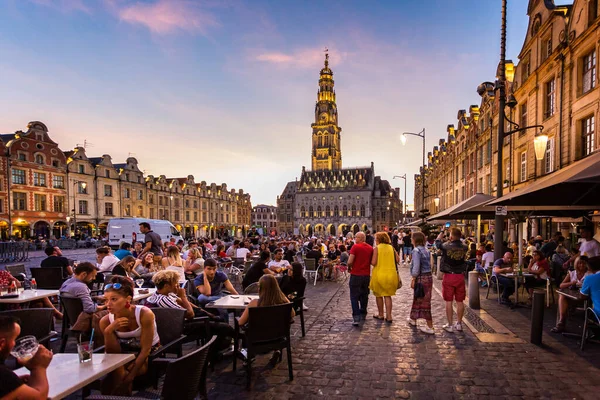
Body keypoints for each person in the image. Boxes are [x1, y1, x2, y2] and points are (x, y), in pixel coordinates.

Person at [99, 276, 160, 395]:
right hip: (123, 354)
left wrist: (130, 377)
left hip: (150, 353)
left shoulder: (144, 314)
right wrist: (108, 332)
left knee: (118, 373)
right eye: (105, 300)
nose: (108, 304)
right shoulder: (106, 321)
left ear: (128, 299)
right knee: (118, 370)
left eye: (114, 299)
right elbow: (113, 353)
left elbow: (146, 349)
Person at [147, 270, 234, 351]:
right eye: (175, 283)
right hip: (179, 328)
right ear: (166, 286)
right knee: (224, 327)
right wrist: (183, 297)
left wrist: (204, 312)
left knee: (218, 317)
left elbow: (183, 303)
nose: (178, 285)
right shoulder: (163, 300)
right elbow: (190, 314)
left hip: (180, 322)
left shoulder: (164, 294)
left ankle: (217, 348)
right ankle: (213, 355)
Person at [238, 275, 295, 365]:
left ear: (260, 288)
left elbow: (240, 322)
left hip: (257, 340)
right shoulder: (284, 301)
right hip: (278, 338)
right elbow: (292, 314)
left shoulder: (254, 303)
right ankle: (277, 350)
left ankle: (248, 355)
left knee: (244, 330)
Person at [0, 315, 53, 400]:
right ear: (2, 344)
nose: (15, 344)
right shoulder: (3, 375)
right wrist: (39, 367)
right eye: (14, 339)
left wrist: (15, 384)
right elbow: (40, 397)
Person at [438, 228, 467, 333]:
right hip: (460, 276)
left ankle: (450, 324)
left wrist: (442, 232)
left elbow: (437, 242)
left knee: (448, 301)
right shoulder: (465, 246)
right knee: (460, 301)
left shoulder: (446, 246)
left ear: (451, 236)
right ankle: (459, 323)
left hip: (449, 275)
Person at [552, 256, 590, 333]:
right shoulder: (572, 273)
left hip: (585, 298)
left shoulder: (589, 274)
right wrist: (571, 283)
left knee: (562, 298)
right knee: (562, 296)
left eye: (584, 263)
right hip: (573, 296)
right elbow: (561, 285)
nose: (582, 265)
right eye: (580, 263)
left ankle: (561, 322)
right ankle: (561, 321)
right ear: (576, 264)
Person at [407, 232, 434, 334]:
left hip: (421, 278)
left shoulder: (416, 251)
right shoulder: (426, 250)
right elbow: (431, 264)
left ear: (415, 240)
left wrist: (413, 278)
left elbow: (416, 267)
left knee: (423, 300)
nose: (411, 240)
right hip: (428, 277)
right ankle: (413, 319)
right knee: (418, 298)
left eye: (412, 238)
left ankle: (430, 326)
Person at [369, 232, 399, 323]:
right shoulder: (391, 248)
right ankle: (389, 316)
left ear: (378, 239)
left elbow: (373, 263)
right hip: (391, 274)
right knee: (388, 295)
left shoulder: (377, 249)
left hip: (379, 274)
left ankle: (381, 314)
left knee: (379, 295)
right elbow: (397, 260)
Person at [347, 232, 373, 326]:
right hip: (366, 275)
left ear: (361, 238)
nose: (354, 239)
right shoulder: (370, 248)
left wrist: (349, 267)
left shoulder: (355, 247)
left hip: (356, 274)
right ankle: (363, 313)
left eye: (356, 237)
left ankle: (356, 317)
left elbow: (350, 261)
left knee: (354, 296)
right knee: (364, 295)